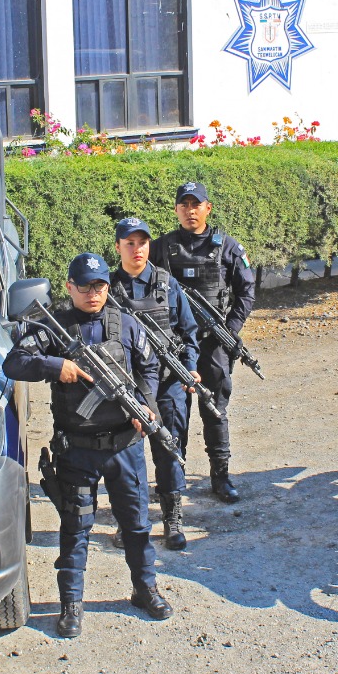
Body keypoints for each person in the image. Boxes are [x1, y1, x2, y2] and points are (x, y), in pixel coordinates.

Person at [2, 253, 173, 638]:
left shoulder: (126, 325)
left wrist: (146, 406)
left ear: (107, 287)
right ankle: (71, 605)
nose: (92, 293)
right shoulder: (53, 327)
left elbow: (148, 369)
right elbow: (13, 364)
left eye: (99, 286)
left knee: (137, 524)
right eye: (84, 286)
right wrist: (54, 367)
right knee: (75, 528)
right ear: (69, 287)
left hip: (125, 447)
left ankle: (145, 590)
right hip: (77, 448)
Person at [150, 182, 256, 504]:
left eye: (196, 204)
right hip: (175, 347)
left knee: (214, 411)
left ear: (208, 208)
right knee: (173, 414)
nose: (190, 210)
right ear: (176, 209)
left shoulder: (227, 247)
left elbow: (246, 293)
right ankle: (173, 481)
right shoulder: (160, 247)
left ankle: (220, 478)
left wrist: (230, 332)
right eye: (184, 204)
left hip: (212, 347)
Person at [110, 217, 201, 550]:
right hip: (126, 387)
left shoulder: (166, 283)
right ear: (118, 246)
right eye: (130, 243)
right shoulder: (107, 289)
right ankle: (129, 520)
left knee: (168, 447)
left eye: (143, 242)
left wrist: (189, 368)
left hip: (166, 384)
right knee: (127, 457)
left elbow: (188, 332)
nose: (137, 250)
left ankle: (172, 518)